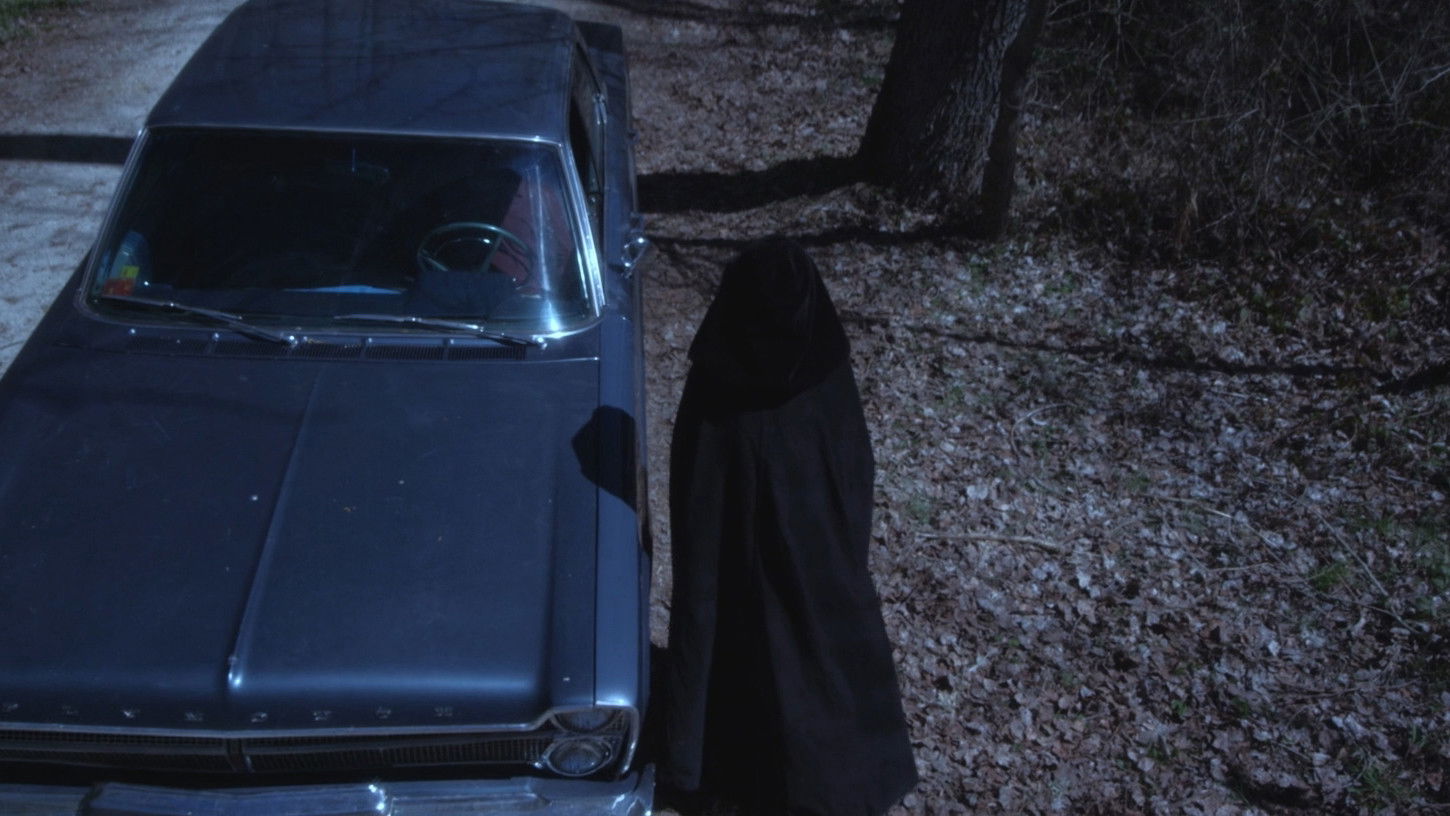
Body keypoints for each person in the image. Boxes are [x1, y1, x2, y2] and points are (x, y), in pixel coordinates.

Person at [662, 239, 918, 815]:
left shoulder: (719, 371)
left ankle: (721, 765)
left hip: (740, 543)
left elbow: (695, 482)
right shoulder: (824, 368)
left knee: (724, 622)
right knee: (814, 636)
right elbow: (852, 467)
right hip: (816, 545)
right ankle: (822, 778)